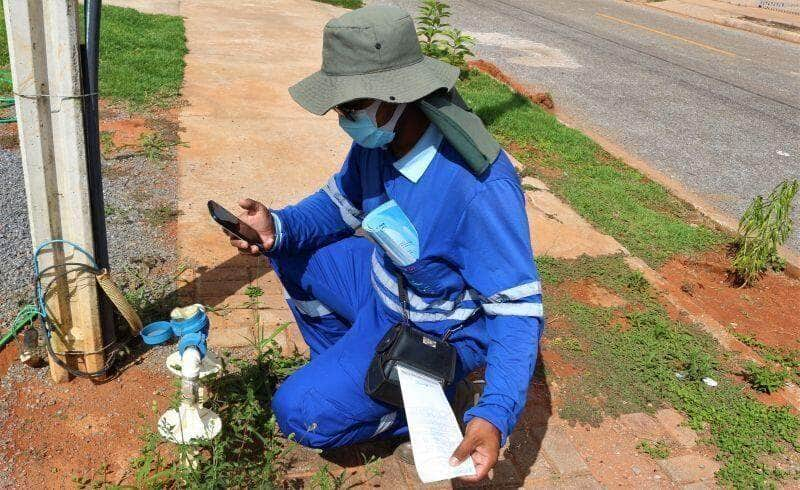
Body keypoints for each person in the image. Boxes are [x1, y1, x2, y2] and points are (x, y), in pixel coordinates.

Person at [227, 5, 543, 482]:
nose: (342, 118)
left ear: (398, 97)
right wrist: (276, 227)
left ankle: (412, 404)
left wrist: (495, 413)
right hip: (381, 288)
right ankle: (348, 363)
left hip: (435, 330)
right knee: (289, 251)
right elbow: (337, 206)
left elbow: (517, 309)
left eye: (351, 107)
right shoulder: (378, 142)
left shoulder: (478, 189)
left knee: (298, 413)